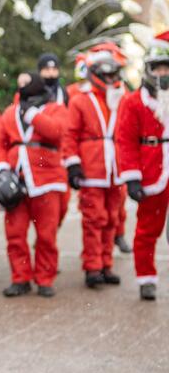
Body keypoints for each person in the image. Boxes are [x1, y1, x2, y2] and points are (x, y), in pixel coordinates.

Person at [0, 71, 67, 298]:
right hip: (16, 181)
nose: (24, 87)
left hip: (47, 181)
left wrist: (33, 115)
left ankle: (45, 278)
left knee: (46, 235)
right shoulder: (9, 112)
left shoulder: (56, 108)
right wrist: (2, 169)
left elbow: (56, 133)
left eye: (28, 83)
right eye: (21, 84)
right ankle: (21, 278)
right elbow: (0, 144)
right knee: (15, 233)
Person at [63, 47, 127, 289]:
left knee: (112, 218)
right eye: (107, 76)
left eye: (114, 76)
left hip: (115, 167)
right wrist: (73, 164)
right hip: (92, 168)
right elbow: (70, 135)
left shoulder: (121, 98)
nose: (111, 80)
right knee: (93, 219)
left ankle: (106, 264)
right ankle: (92, 266)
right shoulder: (80, 100)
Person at [115, 30, 169, 301]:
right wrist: (132, 177)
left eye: (166, 68)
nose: (162, 74)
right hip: (151, 170)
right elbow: (125, 141)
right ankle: (146, 277)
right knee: (148, 229)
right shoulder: (133, 102)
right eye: (157, 68)